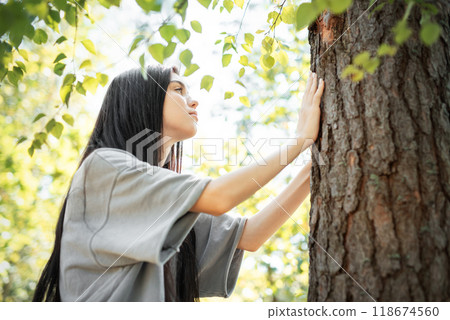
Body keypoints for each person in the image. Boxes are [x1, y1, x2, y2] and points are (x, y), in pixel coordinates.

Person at [33, 65, 324, 302]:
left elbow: (250, 236)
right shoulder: (103, 167)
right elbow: (219, 197)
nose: (193, 100)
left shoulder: (160, 202)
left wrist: (318, 163)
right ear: (141, 99)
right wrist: (298, 141)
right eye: (178, 90)